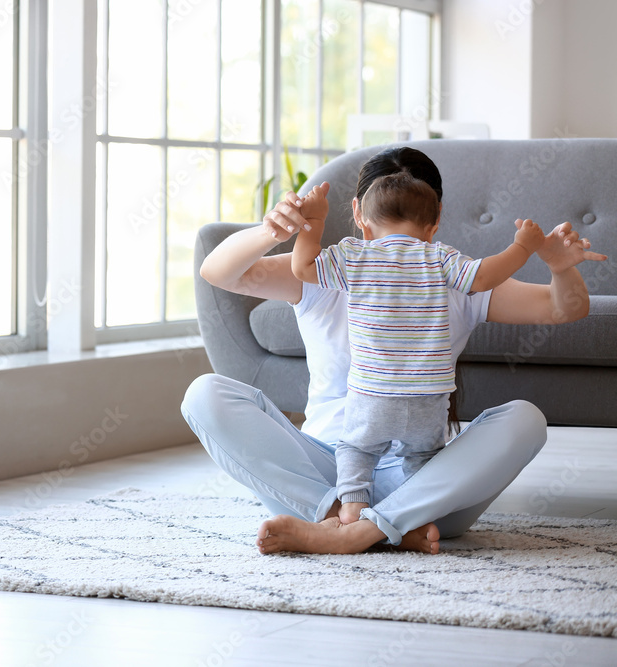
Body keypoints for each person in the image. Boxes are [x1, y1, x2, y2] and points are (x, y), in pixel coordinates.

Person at [182, 146, 606, 555]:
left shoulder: (454, 277)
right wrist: (271, 231)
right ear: (360, 214)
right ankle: (357, 522)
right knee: (204, 394)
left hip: (423, 485)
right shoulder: (327, 270)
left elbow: (562, 309)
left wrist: (560, 267)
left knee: (525, 420)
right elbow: (218, 272)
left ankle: (349, 532)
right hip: (325, 475)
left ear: (433, 219)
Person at [289, 171, 545, 525]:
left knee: (356, 449)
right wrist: (523, 247)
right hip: (428, 397)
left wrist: (315, 219)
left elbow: (302, 268)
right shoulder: (440, 258)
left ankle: (351, 507)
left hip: (373, 394)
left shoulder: (355, 256)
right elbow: (484, 277)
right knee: (424, 457)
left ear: (362, 219)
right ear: (433, 223)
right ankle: (414, 513)